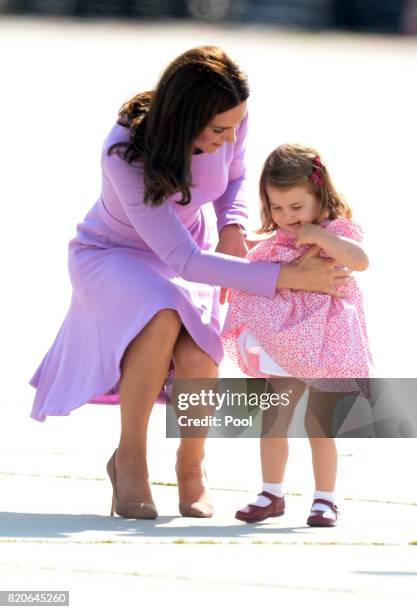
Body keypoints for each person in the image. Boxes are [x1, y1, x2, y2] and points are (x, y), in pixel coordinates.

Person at [28, 47, 351, 521]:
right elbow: (183, 259)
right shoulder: (124, 153)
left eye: (235, 126)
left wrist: (233, 228)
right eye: (218, 130)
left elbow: (237, 176)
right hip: (115, 255)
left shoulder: (232, 119)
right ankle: (130, 460)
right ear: (184, 118)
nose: (229, 137)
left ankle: (190, 466)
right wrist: (287, 277)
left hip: (195, 250)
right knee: (160, 317)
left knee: (200, 350)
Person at [221, 143, 373, 526]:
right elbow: (255, 265)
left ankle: (325, 499)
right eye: (277, 207)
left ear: (320, 199)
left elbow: (360, 260)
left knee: (319, 424)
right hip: (286, 341)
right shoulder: (278, 240)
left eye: (296, 207)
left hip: (326, 341)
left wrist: (321, 238)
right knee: (274, 416)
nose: (286, 217)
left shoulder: (334, 231)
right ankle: (271, 491)